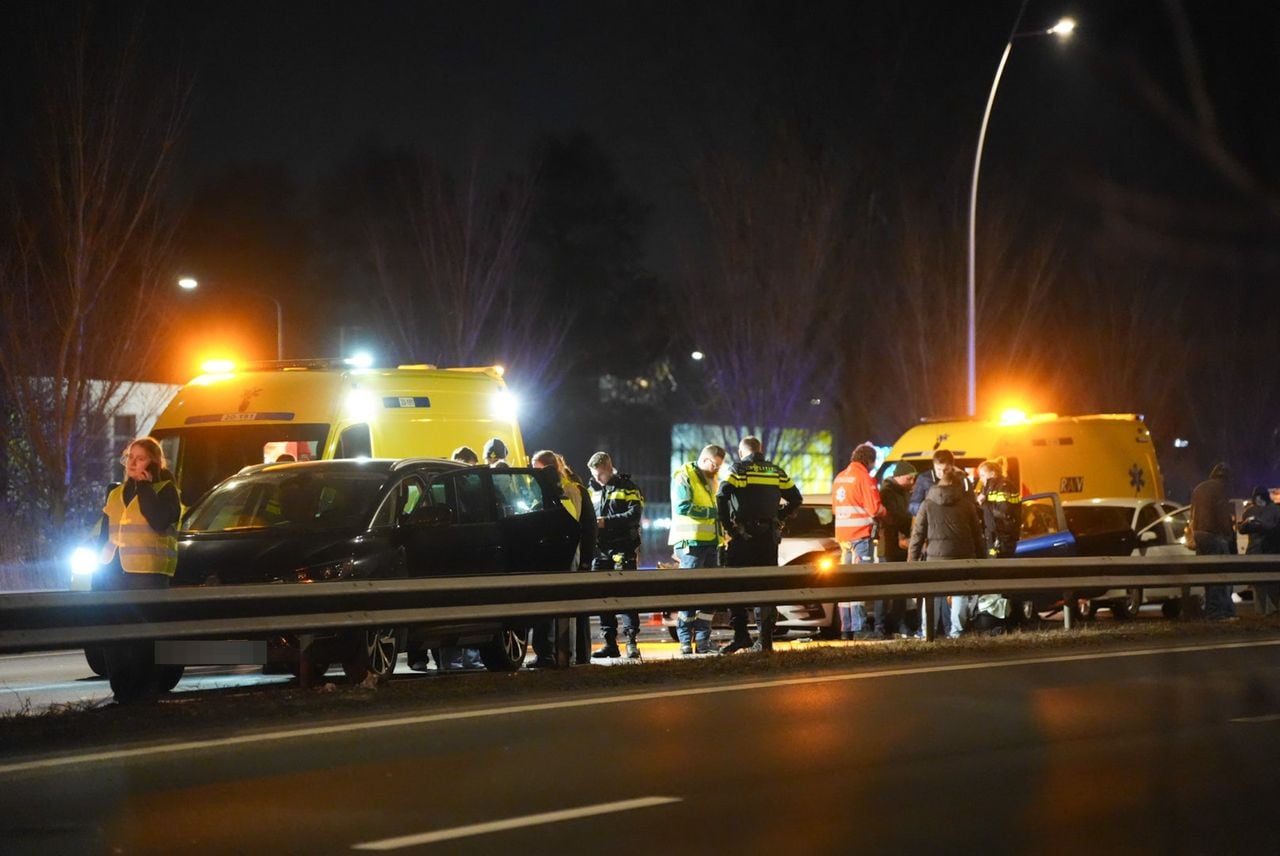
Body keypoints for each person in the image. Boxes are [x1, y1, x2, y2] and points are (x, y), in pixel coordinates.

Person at [93, 437, 183, 701]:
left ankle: (143, 692)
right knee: (115, 635)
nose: (132, 463)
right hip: (114, 573)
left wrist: (144, 486)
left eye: (140, 458)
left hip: (148, 573)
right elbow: (104, 535)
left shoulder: (166, 490)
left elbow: (158, 520)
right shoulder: (115, 493)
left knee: (144, 637)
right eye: (129, 457)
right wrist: (100, 567)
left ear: (154, 463)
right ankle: (122, 693)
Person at [716, 436, 803, 653]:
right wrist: (779, 517)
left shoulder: (738, 469)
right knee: (766, 586)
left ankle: (741, 635)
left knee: (735, 584)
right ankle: (765, 640)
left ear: (741, 452)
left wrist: (729, 527)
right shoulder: (775, 471)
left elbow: (721, 495)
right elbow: (796, 498)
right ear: (760, 450)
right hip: (768, 539)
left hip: (743, 537)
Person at [907, 468, 985, 638]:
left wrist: (911, 561)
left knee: (931, 595)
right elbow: (977, 535)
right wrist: (983, 559)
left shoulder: (927, 504)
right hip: (963, 557)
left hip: (935, 559)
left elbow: (917, 535)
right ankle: (956, 632)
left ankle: (928, 632)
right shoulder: (967, 505)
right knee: (959, 595)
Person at [668, 444, 726, 654]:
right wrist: (714, 513)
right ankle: (685, 641)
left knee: (709, 594)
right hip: (690, 543)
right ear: (705, 459)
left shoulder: (711, 479)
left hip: (711, 542)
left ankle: (703, 641)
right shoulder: (684, 475)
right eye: (715, 465)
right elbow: (682, 506)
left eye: (719, 466)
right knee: (690, 593)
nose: (717, 469)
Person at [587, 452, 645, 659]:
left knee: (626, 595)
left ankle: (631, 642)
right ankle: (610, 643)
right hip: (600, 550)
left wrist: (606, 522)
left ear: (609, 469)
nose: (597, 479)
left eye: (600, 475)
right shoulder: (591, 490)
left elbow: (634, 515)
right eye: (594, 475)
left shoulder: (628, 488)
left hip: (623, 547)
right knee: (604, 597)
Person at [831, 442, 886, 638]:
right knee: (859, 581)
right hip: (860, 535)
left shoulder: (840, 477)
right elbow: (875, 509)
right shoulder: (865, 478)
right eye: (873, 462)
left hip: (843, 537)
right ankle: (860, 628)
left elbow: (835, 510)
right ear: (869, 460)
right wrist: (885, 512)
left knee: (845, 583)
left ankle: (846, 629)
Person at [972, 458, 1021, 633]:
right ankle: (998, 620)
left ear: (992, 472)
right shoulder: (990, 486)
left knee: (1004, 580)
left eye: (983, 474)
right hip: (994, 539)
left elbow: (1004, 512)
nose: (981, 479)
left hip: (1003, 540)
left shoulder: (1004, 486)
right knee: (996, 580)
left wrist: (984, 503)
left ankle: (1009, 620)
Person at [1190, 462, 1238, 620]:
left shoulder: (1198, 488)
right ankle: (1217, 612)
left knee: (1209, 576)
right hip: (1214, 535)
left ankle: (1212, 609)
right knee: (1220, 575)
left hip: (1199, 534)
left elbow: (1192, 514)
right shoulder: (1220, 489)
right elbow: (1222, 515)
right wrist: (1229, 535)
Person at [877, 461, 919, 637]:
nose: (912, 482)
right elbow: (895, 517)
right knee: (885, 589)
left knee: (901, 590)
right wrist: (911, 523)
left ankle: (899, 624)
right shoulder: (887, 492)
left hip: (902, 546)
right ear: (899, 477)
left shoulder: (904, 492)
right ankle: (879, 626)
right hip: (888, 547)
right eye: (909, 478)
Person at [1239, 485, 1280, 615]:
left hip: (1266, 551)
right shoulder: (1253, 511)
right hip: (1260, 551)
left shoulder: (1273, 510)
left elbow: (1275, 529)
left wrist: (1260, 524)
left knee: (1268, 583)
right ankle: (1265, 611)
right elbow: (1241, 529)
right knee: (1261, 583)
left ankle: (1269, 610)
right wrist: (1247, 524)